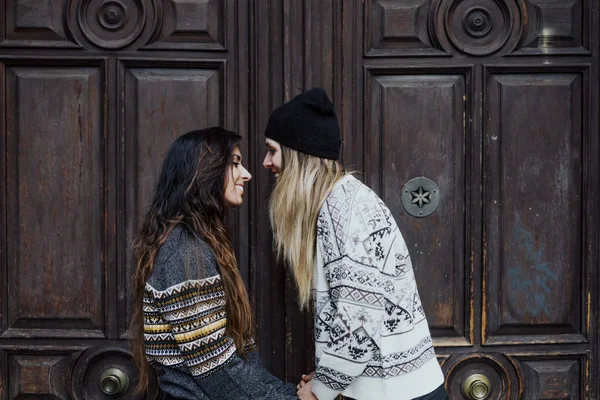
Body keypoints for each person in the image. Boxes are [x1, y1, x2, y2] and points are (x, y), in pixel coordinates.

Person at [263, 89, 448, 400]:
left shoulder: (346, 210)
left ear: (297, 154)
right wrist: (328, 378)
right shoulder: (339, 203)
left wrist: (320, 391)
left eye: (272, 150)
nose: (267, 162)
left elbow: (359, 323)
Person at [131, 127, 298, 399]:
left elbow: (239, 357)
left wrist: (286, 393)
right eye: (234, 164)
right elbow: (216, 370)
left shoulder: (201, 242)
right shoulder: (185, 251)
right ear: (204, 171)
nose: (247, 174)